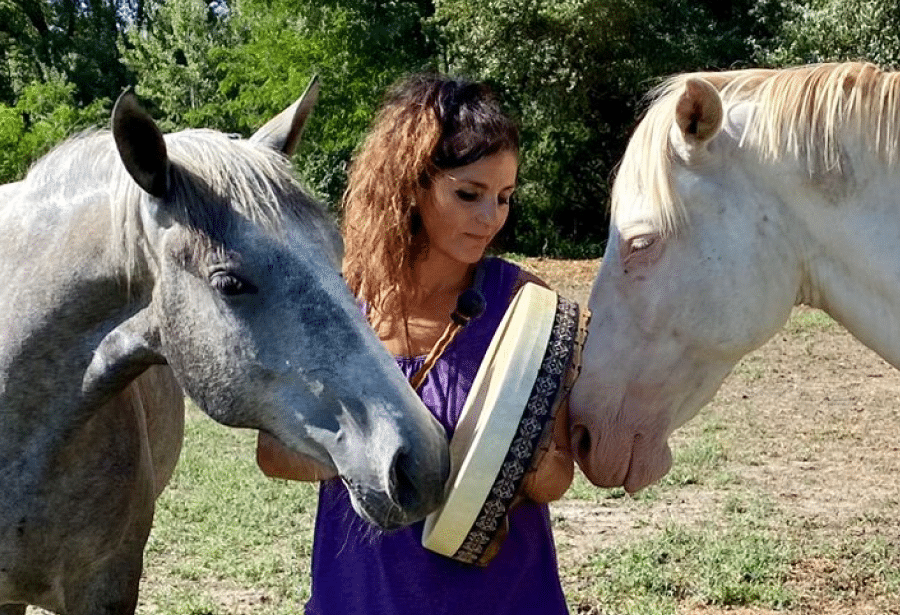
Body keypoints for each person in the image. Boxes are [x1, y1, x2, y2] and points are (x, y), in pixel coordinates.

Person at [256, 73, 574, 615]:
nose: (490, 217)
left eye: (504, 197)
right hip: (364, 595)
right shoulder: (338, 303)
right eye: (469, 194)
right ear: (412, 182)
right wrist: (372, 454)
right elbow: (272, 454)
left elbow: (557, 476)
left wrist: (520, 457)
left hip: (505, 597)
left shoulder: (526, 304)